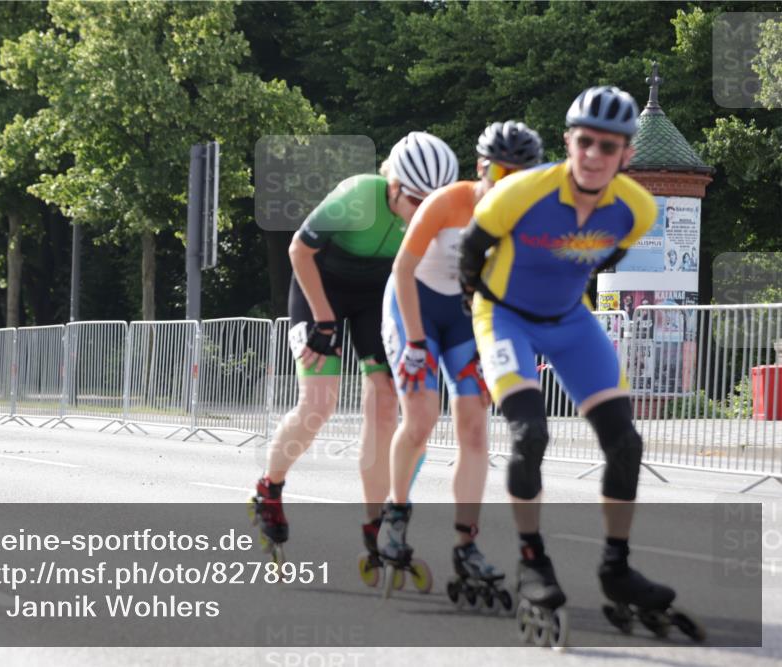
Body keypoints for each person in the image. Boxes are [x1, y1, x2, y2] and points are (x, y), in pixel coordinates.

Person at [458, 85, 703, 645]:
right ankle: (532, 561)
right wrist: (484, 330)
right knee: (530, 434)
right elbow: (470, 259)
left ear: (626, 156)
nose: (594, 153)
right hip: (504, 317)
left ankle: (616, 569)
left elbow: (607, 255)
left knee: (626, 443)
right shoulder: (519, 193)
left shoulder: (636, 209)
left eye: (609, 145)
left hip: (571, 320)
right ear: (569, 141)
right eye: (585, 140)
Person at [250, 132, 459, 563]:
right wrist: (324, 321)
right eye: (417, 201)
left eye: (433, 202)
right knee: (318, 404)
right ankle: (269, 488)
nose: (426, 213)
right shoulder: (360, 195)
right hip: (320, 284)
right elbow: (299, 250)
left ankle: (374, 520)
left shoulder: (437, 210)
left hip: (375, 295)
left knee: (385, 403)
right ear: (395, 186)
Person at [378, 121, 543, 605]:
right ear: (481, 169)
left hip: (465, 318)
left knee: (475, 428)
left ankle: (466, 542)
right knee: (422, 417)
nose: (509, 180)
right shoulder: (449, 201)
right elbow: (403, 270)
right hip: (414, 307)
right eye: (500, 171)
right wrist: (411, 343)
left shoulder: (522, 214)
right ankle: (395, 514)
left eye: (519, 174)